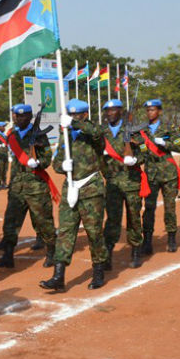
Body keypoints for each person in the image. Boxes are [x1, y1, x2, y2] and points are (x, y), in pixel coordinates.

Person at [40, 99, 106, 292]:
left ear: (85, 115)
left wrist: (75, 124)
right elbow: (56, 162)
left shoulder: (93, 131)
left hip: (91, 187)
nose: (73, 118)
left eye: (77, 115)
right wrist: (63, 166)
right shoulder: (65, 135)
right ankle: (58, 275)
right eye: (70, 115)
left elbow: (97, 133)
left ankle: (99, 271)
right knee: (66, 232)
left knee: (94, 232)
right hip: (71, 188)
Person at [0, 104, 58, 268]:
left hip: (35, 185)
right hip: (16, 186)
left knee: (44, 222)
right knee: (10, 222)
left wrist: (38, 163)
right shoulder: (12, 134)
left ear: (29, 117)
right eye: (17, 116)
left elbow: (47, 158)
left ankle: (52, 253)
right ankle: (8, 256)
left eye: (23, 116)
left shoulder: (39, 135)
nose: (19, 118)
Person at [101, 100, 148, 269]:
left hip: (131, 182)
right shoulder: (103, 132)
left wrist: (136, 159)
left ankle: (136, 249)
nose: (110, 113)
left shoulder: (133, 131)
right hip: (113, 183)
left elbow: (144, 150)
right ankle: (107, 253)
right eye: (107, 110)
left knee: (133, 217)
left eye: (113, 110)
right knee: (112, 218)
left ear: (120, 111)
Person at [139, 99, 180, 254]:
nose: (150, 112)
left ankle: (171, 238)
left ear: (159, 111)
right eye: (148, 110)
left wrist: (166, 144)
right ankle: (147, 240)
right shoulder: (142, 129)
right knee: (149, 208)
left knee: (170, 207)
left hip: (168, 174)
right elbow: (142, 148)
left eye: (152, 109)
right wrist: (141, 146)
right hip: (151, 174)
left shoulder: (169, 127)